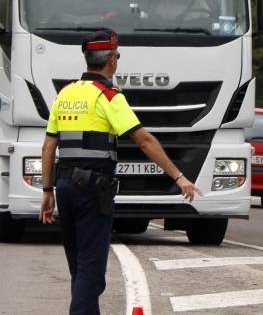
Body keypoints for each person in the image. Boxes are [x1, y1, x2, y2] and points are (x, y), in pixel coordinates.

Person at [38, 29, 202, 314]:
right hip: (92, 190)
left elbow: (48, 146)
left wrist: (46, 191)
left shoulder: (66, 93)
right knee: (91, 268)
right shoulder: (109, 96)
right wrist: (179, 176)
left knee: (78, 266)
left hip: (64, 187)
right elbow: (144, 140)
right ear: (111, 60)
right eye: (117, 56)